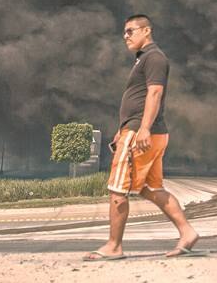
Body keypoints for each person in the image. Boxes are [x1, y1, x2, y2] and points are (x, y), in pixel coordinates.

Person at [84, 14, 199, 261]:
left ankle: (114, 246)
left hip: (142, 133)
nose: (126, 36)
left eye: (130, 31)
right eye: (124, 32)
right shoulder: (144, 59)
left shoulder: (154, 57)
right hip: (143, 130)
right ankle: (187, 233)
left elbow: (155, 93)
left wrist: (142, 128)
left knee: (117, 189)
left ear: (146, 31)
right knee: (151, 189)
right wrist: (123, 127)